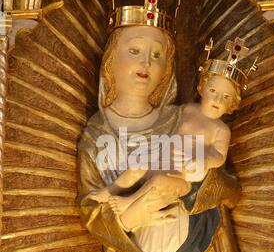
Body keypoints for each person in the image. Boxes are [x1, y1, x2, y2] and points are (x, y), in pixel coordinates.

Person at [78, 0, 259, 252]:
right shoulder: (95, 133)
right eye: (135, 50)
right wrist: (128, 216)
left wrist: (192, 191)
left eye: (157, 55)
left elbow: (229, 188)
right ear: (111, 59)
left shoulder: (183, 118)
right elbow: (90, 205)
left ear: (170, 68)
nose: (146, 63)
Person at [83, 69, 240, 218]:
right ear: (202, 89)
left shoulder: (221, 129)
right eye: (213, 91)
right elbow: (168, 119)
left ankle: (128, 202)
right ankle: (111, 190)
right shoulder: (189, 109)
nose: (217, 99)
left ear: (232, 104)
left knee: (158, 183)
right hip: (160, 161)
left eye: (226, 97)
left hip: (182, 177)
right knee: (138, 166)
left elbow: (219, 156)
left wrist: (204, 160)